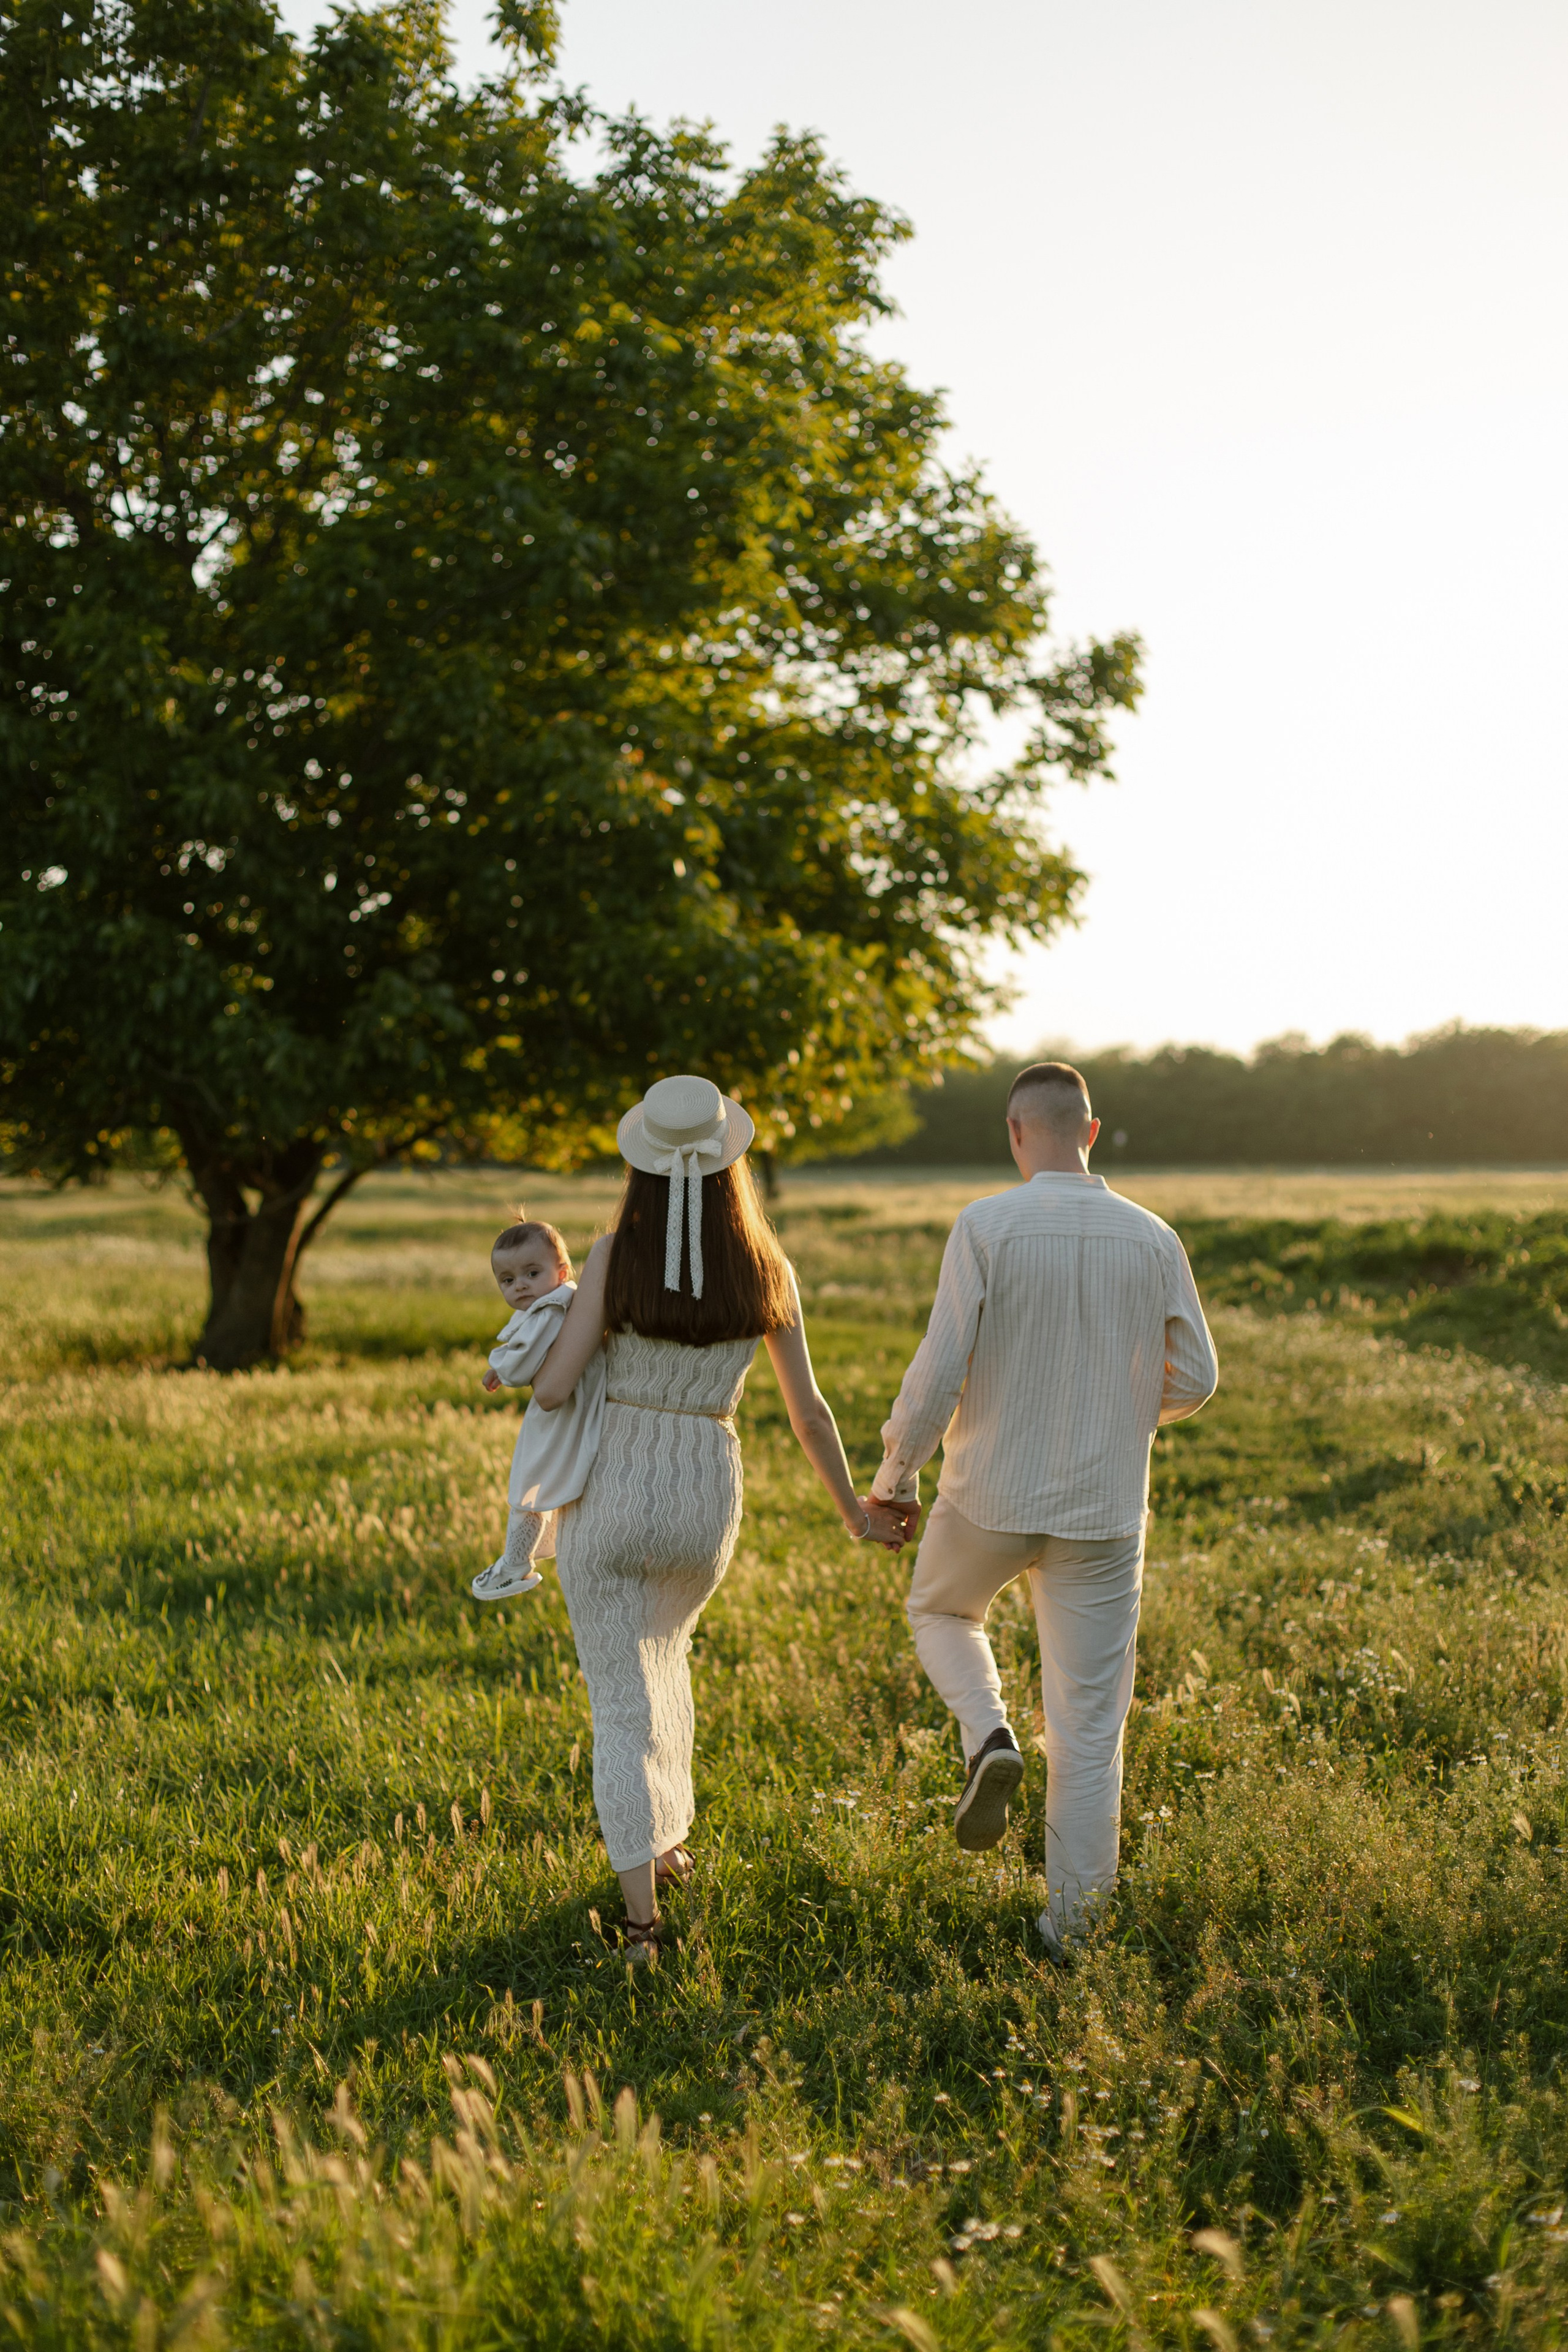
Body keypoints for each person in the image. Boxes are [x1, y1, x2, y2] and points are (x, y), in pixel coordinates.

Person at [528, 1074, 908, 1957]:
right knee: (667, 1662)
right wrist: (855, 1513)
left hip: (613, 1486)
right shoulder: (767, 1267)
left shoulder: (614, 1258)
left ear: (642, 1168)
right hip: (705, 1492)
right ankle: (663, 1846)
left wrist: (547, 1336)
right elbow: (809, 1412)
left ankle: (640, 1924)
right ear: (730, 1162)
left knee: (620, 1701)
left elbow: (552, 1393)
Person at [870, 1060, 1218, 1955]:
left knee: (942, 1608)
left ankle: (987, 1733)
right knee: (1091, 1721)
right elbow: (1200, 1377)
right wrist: (1125, 1405)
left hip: (991, 1490)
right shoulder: (1153, 1236)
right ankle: (1075, 1928)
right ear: (1091, 1132)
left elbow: (939, 1368)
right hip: (1104, 1509)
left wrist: (896, 1478)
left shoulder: (986, 1225)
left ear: (1016, 1132)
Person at [472, 1219, 606, 1602]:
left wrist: (501, 1365)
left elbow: (523, 1361)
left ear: (562, 1273)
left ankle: (515, 1565)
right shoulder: (562, 1303)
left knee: (528, 1485)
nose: (521, 1286)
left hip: (561, 1411)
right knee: (543, 1479)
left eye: (532, 1273)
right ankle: (536, 1549)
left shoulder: (549, 1311)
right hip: (572, 1404)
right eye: (508, 1280)